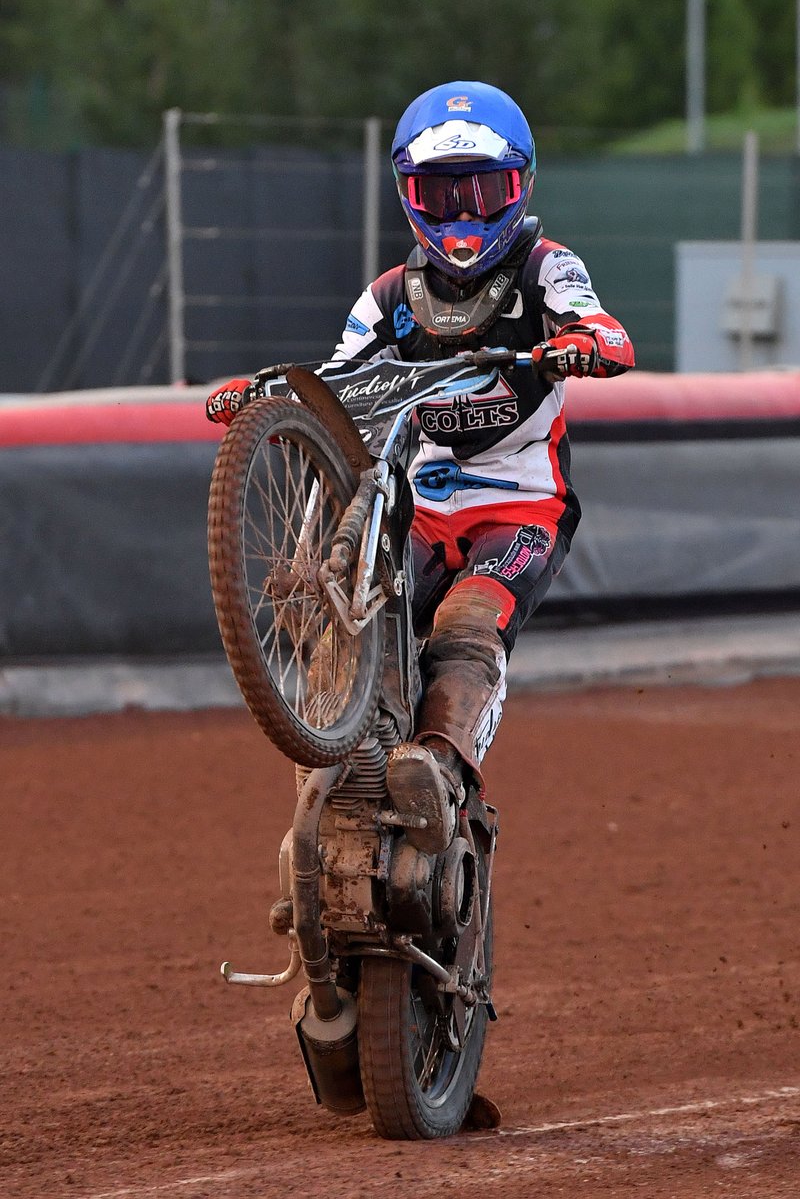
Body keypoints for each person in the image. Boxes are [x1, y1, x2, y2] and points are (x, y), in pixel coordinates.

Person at [207, 80, 634, 853]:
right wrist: (267, 390)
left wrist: (590, 341)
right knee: (351, 611)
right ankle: (348, 750)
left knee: (468, 627)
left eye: (483, 191)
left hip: (521, 506)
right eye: (442, 196)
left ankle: (440, 771)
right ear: (409, 197)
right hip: (419, 507)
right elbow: (337, 382)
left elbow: (598, 322)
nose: (465, 218)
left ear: (521, 186)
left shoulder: (548, 267)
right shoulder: (386, 300)